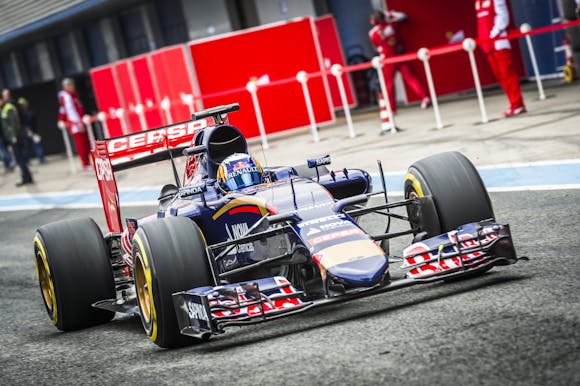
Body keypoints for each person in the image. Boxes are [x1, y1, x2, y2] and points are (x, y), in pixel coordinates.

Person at [369, 9, 431, 132]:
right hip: (399, 55)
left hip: (387, 60)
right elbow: (403, 16)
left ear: (373, 20)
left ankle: (392, 109)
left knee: (388, 85)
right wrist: (390, 13)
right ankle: (424, 98)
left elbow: (376, 47)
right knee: (410, 78)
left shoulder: (373, 32)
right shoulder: (393, 24)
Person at [475, 0, 526, 117]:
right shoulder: (478, 2)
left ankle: (517, 104)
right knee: (500, 76)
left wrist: (493, 34)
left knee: (507, 74)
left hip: (499, 43)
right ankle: (514, 104)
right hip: (487, 46)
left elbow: (503, 17)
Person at [58, 78, 91, 170]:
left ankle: (88, 162)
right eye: (70, 85)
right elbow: (69, 111)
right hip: (76, 124)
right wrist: (78, 124)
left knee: (86, 143)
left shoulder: (73, 95)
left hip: (80, 122)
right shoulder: (66, 97)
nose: (72, 87)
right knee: (81, 144)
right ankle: (85, 163)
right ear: (66, 86)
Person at [0, 93, 33, 186]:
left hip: (16, 137)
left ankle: (26, 177)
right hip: (13, 137)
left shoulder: (8, 107)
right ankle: (26, 176)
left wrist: (14, 136)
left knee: (19, 158)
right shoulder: (4, 108)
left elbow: (14, 122)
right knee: (19, 158)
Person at [18, 97, 45, 165]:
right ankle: (27, 161)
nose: (22, 106)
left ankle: (41, 159)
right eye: (20, 105)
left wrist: (33, 131)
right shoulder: (20, 114)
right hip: (26, 133)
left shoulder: (30, 113)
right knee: (27, 147)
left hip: (32, 132)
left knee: (36, 145)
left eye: (22, 105)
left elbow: (34, 123)